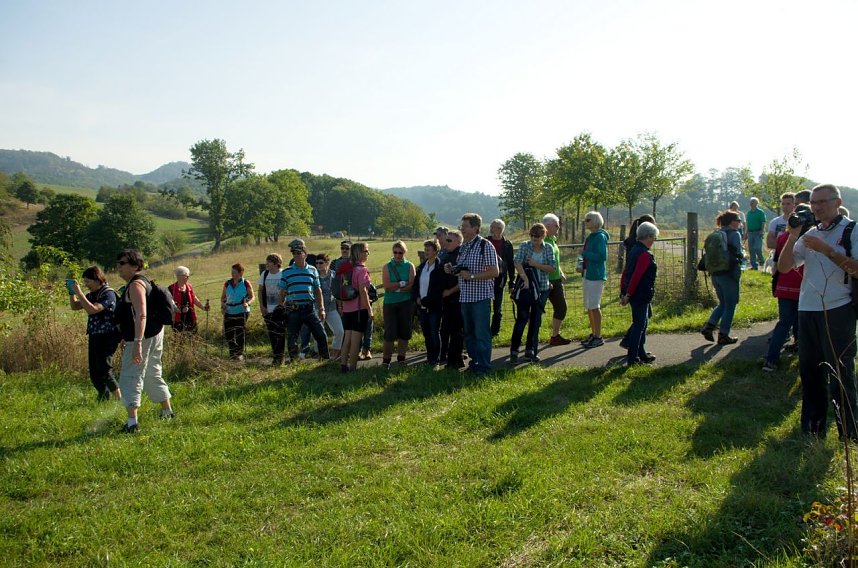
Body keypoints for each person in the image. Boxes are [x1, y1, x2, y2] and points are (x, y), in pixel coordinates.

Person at [778, 183, 858, 440]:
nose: (817, 207)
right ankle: (813, 430)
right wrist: (793, 236)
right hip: (807, 308)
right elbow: (784, 267)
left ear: (838, 202)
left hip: (838, 308)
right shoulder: (810, 232)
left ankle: (849, 434)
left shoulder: (852, 230)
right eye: (813, 202)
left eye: (823, 202)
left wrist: (828, 251)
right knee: (810, 372)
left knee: (840, 373)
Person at [114, 249, 174, 433]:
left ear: (135, 266)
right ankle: (167, 411)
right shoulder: (143, 281)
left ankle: (132, 423)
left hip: (142, 337)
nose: (118, 266)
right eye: (117, 263)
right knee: (151, 372)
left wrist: (137, 343)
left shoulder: (135, 285)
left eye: (122, 263)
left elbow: (141, 314)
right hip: (154, 333)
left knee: (131, 375)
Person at [445, 213, 499, 375]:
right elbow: (463, 270)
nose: (462, 229)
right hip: (465, 297)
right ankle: (475, 364)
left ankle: (484, 368)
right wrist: (452, 269)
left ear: (476, 228)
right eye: (461, 226)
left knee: (481, 334)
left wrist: (473, 276)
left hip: (480, 297)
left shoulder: (485, 245)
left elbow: (494, 272)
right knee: (469, 334)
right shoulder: (464, 247)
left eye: (465, 226)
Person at [762, 203, 811, 372]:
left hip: (784, 286)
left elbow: (775, 263)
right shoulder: (810, 239)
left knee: (784, 323)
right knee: (802, 324)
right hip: (803, 287)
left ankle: (771, 359)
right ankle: (803, 357)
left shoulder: (783, 237)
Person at [69, 266, 121, 402]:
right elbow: (75, 306)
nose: (86, 284)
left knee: (104, 368)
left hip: (108, 336)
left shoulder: (108, 294)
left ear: (97, 280)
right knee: (94, 371)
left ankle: (119, 398)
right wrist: (71, 292)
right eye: (84, 282)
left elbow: (93, 309)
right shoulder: (92, 295)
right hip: (95, 335)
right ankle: (103, 396)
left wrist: (79, 292)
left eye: (88, 281)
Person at [509, 223, 556, 363]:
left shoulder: (548, 248)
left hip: (542, 289)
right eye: (532, 235)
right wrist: (524, 278)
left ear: (543, 236)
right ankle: (514, 351)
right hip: (526, 289)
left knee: (535, 322)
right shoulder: (525, 245)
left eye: (537, 236)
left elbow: (552, 268)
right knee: (522, 319)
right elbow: (517, 262)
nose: (534, 238)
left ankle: (530, 350)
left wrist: (536, 264)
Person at [278, 243, 330, 362]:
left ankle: (325, 359)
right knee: (292, 337)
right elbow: (282, 292)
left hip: (309, 308)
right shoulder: (287, 272)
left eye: (298, 253)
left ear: (305, 255)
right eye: (294, 253)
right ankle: (294, 360)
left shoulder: (313, 270)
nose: (295, 255)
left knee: (320, 334)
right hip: (293, 309)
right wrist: (281, 307)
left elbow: (318, 290)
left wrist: (321, 308)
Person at [700, 210, 744, 344]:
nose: (740, 223)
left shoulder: (716, 233)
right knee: (731, 305)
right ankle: (724, 334)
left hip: (716, 273)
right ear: (732, 222)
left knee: (723, 303)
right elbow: (738, 254)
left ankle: (709, 326)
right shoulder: (735, 234)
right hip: (729, 274)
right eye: (738, 220)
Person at [620, 222, 659, 366]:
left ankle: (641, 353)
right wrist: (628, 294)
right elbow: (636, 276)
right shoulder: (644, 254)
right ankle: (633, 358)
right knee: (639, 326)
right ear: (648, 236)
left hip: (635, 294)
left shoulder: (634, 250)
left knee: (644, 322)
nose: (654, 240)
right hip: (640, 294)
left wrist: (623, 292)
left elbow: (626, 273)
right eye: (654, 237)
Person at [380, 240, 416, 369]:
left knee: (404, 333)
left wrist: (396, 288)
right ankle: (386, 361)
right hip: (390, 303)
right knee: (389, 334)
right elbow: (386, 286)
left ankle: (401, 359)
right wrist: (401, 284)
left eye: (400, 253)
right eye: (395, 252)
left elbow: (411, 285)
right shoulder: (387, 267)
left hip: (406, 303)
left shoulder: (410, 266)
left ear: (404, 252)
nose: (397, 255)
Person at [339, 242, 373, 372]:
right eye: (366, 251)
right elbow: (363, 291)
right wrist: (369, 309)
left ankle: (343, 365)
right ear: (359, 253)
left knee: (347, 338)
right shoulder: (361, 270)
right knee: (356, 340)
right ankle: (352, 367)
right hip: (359, 309)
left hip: (347, 308)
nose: (368, 253)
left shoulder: (347, 268)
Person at [413, 239, 446, 369]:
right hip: (421, 306)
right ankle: (430, 358)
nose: (425, 252)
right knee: (426, 334)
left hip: (434, 307)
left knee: (434, 333)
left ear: (436, 251)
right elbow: (416, 285)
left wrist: (426, 300)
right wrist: (417, 297)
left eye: (428, 250)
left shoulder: (440, 268)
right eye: (425, 249)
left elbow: (439, 289)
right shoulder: (422, 267)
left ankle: (436, 360)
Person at [580, 212, 609, 348]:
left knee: (594, 306)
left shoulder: (600, 237)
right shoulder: (591, 236)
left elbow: (602, 256)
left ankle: (598, 336)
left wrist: (585, 253)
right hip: (588, 273)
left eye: (588, 220)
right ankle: (593, 334)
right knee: (589, 306)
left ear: (596, 221)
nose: (586, 222)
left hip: (596, 275)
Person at [542, 213, 571, 346]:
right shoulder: (541, 242)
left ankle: (555, 336)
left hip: (556, 280)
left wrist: (560, 271)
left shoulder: (553, 239)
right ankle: (532, 339)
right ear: (547, 227)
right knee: (537, 310)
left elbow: (553, 260)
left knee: (561, 308)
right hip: (544, 282)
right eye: (556, 225)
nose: (559, 228)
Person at [440, 230, 465, 370]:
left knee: (456, 331)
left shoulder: (461, 255)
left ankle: (453, 362)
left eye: (449, 240)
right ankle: (456, 359)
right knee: (448, 330)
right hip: (448, 299)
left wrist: (450, 291)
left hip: (458, 299)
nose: (446, 243)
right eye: (446, 240)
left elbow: (464, 280)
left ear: (458, 242)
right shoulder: (447, 255)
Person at [487, 218, 516, 337]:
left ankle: (495, 331)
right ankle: (484, 329)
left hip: (500, 280)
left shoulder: (507, 244)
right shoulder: (485, 241)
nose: (490, 228)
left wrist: (511, 282)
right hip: (485, 278)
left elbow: (511, 264)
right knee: (485, 307)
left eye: (492, 226)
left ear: (499, 229)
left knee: (497, 307)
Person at [221, 263, 254, 361]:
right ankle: (232, 353)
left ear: (241, 273)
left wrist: (247, 303)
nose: (232, 274)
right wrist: (223, 305)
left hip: (241, 310)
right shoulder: (227, 283)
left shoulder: (246, 283)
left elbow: (252, 296)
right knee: (228, 333)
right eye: (232, 271)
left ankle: (239, 354)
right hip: (229, 311)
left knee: (239, 333)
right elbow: (223, 297)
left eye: (234, 272)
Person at [315, 253, 344, 360]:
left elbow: (338, 292)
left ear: (327, 263)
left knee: (339, 331)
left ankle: (336, 354)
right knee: (319, 333)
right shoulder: (314, 275)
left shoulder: (334, 275)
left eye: (321, 263)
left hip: (332, 308)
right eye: (317, 263)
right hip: (318, 308)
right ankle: (321, 355)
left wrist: (340, 307)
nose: (318, 265)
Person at [258, 253, 286, 365]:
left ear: (276, 263)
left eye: (269, 262)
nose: (267, 264)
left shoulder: (283, 274)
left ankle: (280, 358)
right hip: (268, 310)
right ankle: (276, 357)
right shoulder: (264, 274)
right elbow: (260, 291)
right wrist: (261, 306)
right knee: (272, 334)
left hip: (280, 310)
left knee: (280, 334)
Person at [167, 266, 208, 332]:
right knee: (180, 337)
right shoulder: (171, 289)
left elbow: (194, 298)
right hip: (178, 320)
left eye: (188, 276)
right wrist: (180, 310)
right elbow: (169, 305)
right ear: (179, 276)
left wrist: (203, 307)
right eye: (186, 276)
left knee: (193, 335)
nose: (188, 278)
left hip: (191, 318)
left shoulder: (189, 286)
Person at [745, 197, 766, 270]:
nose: (751, 203)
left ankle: (761, 260)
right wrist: (746, 233)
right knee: (751, 249)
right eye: (751, 202)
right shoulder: (748, 213)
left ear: (757, 203)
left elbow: (763, 222)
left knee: (757, 248)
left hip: (758, 232)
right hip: (750, 232)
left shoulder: (760, 212)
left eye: (753, 202)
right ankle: (754, 266)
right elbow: (747, 223)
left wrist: (762, 230)